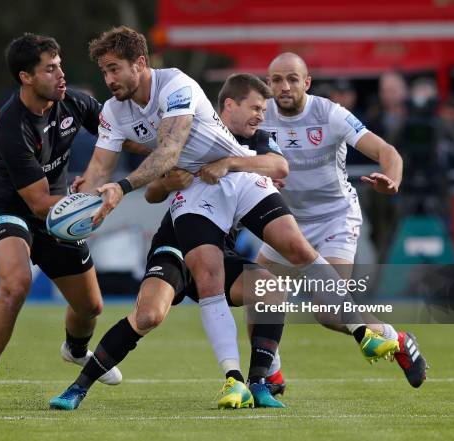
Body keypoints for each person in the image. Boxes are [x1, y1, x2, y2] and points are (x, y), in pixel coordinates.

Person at [52, 26, 399, 410]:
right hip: (197, 192)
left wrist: (122, 187)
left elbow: (168, 152)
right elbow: (101, 168)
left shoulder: (176, 85)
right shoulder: (115, 112)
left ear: (141, 63)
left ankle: (362, 330)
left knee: (294, 246)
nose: (109, 79)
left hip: (238, 179)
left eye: (114, 69)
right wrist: (82, 205)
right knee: (208, 278)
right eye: (104, 71)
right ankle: (234, 380)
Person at [49, 73, 289, 410]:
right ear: (227, 107)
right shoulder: (191, 130)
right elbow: (153, 193)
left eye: (264, 110)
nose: (260, 116)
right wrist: (169, 181)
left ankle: (258, 383)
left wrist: (233, 166)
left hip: (219, 253)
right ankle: (77, 388)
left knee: (269, 288)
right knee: (148, 316)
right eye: (256, 107)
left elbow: (279, 166)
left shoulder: (257, 142)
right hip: (176, 246)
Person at [0, 33, 122, 410]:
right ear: (25, 77)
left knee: (91, 307)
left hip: (57, 209)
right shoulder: (10, 126)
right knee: (15, 286)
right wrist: (94, 199)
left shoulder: (73, 102)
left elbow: (120, 135)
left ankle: (75, 349)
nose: (60, 74)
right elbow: (37, 201)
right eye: (50, 68)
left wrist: (166, 150)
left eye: (60, 64)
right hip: (13, 210)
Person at [257, 52, 427, 387]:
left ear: (307, 82)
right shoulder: (260, 114)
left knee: (329, 313)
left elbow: (387, 152)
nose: (285, 86)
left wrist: (392, 180)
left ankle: (397, 339)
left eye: (292, 78)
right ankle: (269, 375)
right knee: (261, 294)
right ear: (268, 84)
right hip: (287, 220)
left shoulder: (330, 114)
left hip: (334, 218)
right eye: (277, 80)